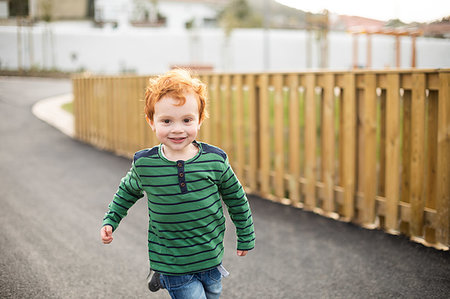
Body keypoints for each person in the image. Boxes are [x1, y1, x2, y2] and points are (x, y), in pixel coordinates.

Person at [100, 69, 255, 299]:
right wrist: (111, 220)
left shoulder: (214, 160)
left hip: (210, 256)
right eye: (166, 121)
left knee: (212, 294)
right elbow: (126, 192)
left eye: (187, 120)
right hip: (173, 262)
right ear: (151, 121)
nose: (177, 129)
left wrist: (245, 234)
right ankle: (164, 274)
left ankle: (159, 277)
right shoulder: (146, 164)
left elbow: (236, 198)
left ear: (200, 119)